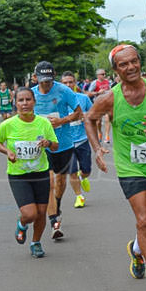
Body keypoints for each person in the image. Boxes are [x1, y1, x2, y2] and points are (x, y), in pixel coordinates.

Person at [87, 44, 146, 291]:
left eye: (134, 61)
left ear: (140, 62)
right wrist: (97, 148)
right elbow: (89, 119)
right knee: (144, 220)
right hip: (130, 166)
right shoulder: (109, 98)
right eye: (123, 64)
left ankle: (136, 250)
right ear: (116, 71)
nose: (130, 67)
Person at [0, 86, 59, 258]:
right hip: (18, 175)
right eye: (21, 100)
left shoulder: (43, 123)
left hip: (40, 173)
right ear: (16, 104)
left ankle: (36, 243)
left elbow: (55, 144)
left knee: (42, 213)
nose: (25, 103)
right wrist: (7, 151)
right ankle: (22, 224)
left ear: (34, 102)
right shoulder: (8, 125)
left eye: (28, 99)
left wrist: (48, 143)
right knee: (30, 214)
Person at [31, 61, 84, 240]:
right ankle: (54, 221)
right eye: (42, 80)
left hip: (63, 144)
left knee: (60, 182)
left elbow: (78, 113)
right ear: (35, 77)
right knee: (50, 182)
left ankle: (57, 205)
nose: (46, 84)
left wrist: (61, 121)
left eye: (49, 80)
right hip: (41, 145)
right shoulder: (31, 94)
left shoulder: (64, 91)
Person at [61, 71, 94, 208]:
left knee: (86, 170)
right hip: (67, 143)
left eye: (70, 82)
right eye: (65, 83)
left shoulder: (83, 99)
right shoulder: (58, 101)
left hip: (82, 140)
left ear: (75, 83)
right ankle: (79, 196)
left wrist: (84, 116)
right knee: (72, 171)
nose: (68, 85)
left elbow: (93, 116)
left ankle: (83, 177)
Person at [87, 68, 113, 143]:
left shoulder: (108, 82)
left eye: (105, 74)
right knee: (98, 122)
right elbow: (89, 93)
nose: (104, 75)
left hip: (107, 103)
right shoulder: (95, 83)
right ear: (98, 75)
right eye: (102, 74)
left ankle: (107, 136)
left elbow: (111, 90)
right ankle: (99, 132)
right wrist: (98, 92)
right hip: (98, 104)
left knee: (108, 119)